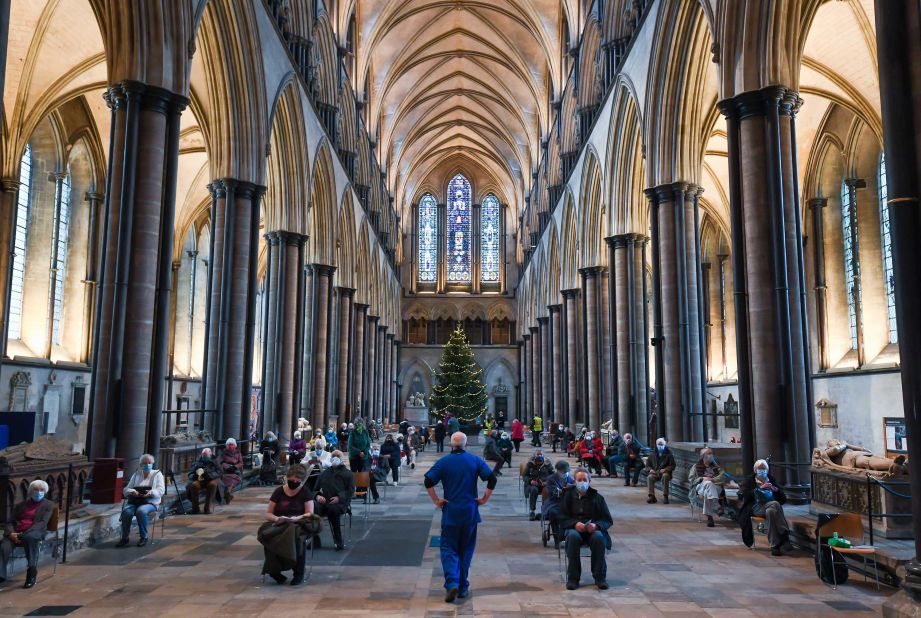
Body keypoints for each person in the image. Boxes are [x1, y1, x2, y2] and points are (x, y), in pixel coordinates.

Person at [425, 431, 497, 603]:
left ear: (451, 444)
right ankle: (463, 587)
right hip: (470, 511)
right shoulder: (475, 460)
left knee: (449, 548)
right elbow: (492, 478)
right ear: (465, 444)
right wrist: (485, 498)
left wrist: (436, 500)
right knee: (466, 550)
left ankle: (452, 584)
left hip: (451, 511)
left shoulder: (444, 462)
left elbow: (428, 480)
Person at [258, 464, 317, 586]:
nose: (294, 483)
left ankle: (298, 572)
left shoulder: (305, 492)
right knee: (268, 535)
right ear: (287, 478)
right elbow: (268, 514)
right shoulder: (279, 491)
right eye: (291, 481)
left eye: (297, 481)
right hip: (280, 522)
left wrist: (296, 518)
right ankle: (274, 571)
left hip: (299, 523)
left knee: (296, 537)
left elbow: (309, 513)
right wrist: (277, 518)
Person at [558, 468, 613, 590]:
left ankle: (600, 577)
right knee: (572, 537)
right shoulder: (567, 496)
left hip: (591, 530)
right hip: (573, 529)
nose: (582, 482)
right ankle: (573, 578)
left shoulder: (597, 497)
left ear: (589, 481)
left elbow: (607, 520)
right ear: (575, 481)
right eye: (579, 480)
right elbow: (561, 517)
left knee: (599, 537)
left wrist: (596, 525)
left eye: (584, 480)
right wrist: (574, 523)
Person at [0, 480, 53, 589]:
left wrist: (23, 534)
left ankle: (31, 571)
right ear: (30, 491)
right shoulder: (21, 505)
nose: (38, 492)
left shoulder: (48, 505)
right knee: (3, 545)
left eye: (41, 490)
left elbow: (42, 522)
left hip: (35, 532)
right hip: (16, 533)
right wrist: (11, 534)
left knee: (29, 538)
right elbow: (10, 521)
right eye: (36, 490)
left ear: (45, 491)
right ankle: (1, 575)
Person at [739, 459, 791, 556]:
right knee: (775, 504)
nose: (762, 471)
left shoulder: (771, 479)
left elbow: (783, 499)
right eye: (760, 469)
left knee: (771, 512)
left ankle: (774, 546)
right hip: (756, 507)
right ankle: (784, 535)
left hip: (769, 507)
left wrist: (776, 490)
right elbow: (744, 496)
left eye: (764, 469)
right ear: (755, 470)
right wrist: (759, 488)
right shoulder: (750, 480)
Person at [117, 454, 166, 548]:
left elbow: (161, 491)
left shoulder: (157, 474)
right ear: (141, 464)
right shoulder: (136, 474)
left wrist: (151, 493)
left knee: (141, 511)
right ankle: (125, 537)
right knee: (126, 512)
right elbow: (126, 489)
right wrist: (132, 491)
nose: (147, 465)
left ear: (152, 464)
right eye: (145, 463)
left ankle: (144, 536)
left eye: (149, 463)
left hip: (150, 502)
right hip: (135, 501)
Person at [315, 450, 354, 550]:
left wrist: (339, 497)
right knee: (313, 508)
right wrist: (318, 496)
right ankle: (315, 539)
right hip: (324, 501)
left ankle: (338, 541)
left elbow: (350, 491)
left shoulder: (348, 474)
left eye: (338, 455)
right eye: (333, 455)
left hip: (340, 503)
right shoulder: (324, 474)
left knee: (333, 510)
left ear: (342, 459)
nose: (335, 457)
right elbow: (314, 490)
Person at [688, 447, 726, 527]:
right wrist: (702, 478)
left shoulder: (716, 466)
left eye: (711, 453)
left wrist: (712, 480)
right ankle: (717, 505)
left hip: (716, 487)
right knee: (707, 483)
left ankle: (710, 518)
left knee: (707, 491)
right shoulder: (696, 466)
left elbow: (722, 477)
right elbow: (691, 480)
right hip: (700, 487)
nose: (711, 455)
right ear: (703, 456)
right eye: (709, 453)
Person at [543, 460, 574, 548]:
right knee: (554, 513)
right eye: (564, 471)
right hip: (554, 503)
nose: (566, 473)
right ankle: (557, 539)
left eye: (567, 471)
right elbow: (552, 495)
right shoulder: (551, 479)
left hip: (566, 503)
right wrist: (563, 490)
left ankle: (567, 534)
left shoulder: (569, 478)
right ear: (558, 471)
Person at [188, 447, 224, 514]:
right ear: (202, 455)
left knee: (213, 485)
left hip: (211, 479)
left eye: (206, 456)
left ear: (210, 455)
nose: (205, 457)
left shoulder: (215, 461)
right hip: (199, 480)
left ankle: (207, 508)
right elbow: (190, 473)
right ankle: (195, 508)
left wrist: (209, 474)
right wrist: (196, 475)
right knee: (194, 485)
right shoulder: (197, 461)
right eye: (204, 456)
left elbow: (220, 472)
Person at [523, 450, 554, 520]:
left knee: (547, 491)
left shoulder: (548, 464)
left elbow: (553, 475)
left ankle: (546, 510)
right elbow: (525, 476)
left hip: (544, 484)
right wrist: (530, 481)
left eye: (541, 463)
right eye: (537, 463)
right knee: (533, 490)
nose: (539, 464)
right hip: (533, 484)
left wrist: (548, 482)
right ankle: (532, 511)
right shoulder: (530, 464)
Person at [645, 437, 675, 504]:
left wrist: (665, 469)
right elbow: (647, 465)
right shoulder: (652, 454)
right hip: (655, 473)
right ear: (656, 445)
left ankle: (665, 496)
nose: (660, 446)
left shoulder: (669, 454)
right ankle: (651, 496)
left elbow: (673, 465)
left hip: (665, 473)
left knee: (665, 476)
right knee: (650, 477)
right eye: (659, 444)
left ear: (664, 445)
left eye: (661, 444)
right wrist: (650, 470)